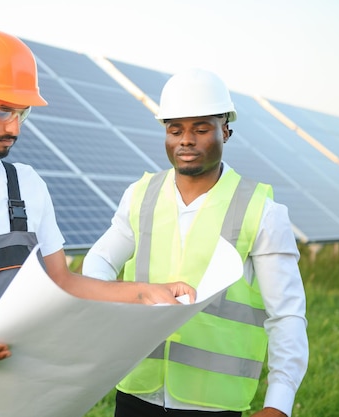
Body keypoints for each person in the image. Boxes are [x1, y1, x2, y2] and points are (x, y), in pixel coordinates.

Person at [0, 30, 195, 417]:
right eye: (2, 111)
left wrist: (142, 293)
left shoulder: (27, 184)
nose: (15, 127)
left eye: (22, 112)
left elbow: (63, 280)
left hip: (22, 381)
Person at [82, 68, 308, 417]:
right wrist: (119, 304)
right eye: (175, 130)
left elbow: (287, 314)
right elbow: (98, 262)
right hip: (136, 391)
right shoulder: (140, 195)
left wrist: (278, 405)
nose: (186, 140)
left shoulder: (261, 211)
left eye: (201, 129)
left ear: (226, 132)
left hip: (213, 403)